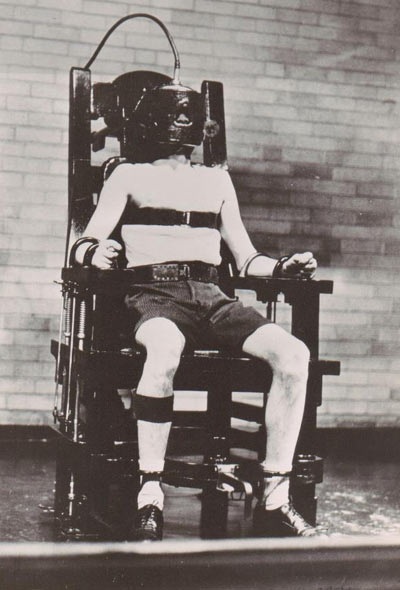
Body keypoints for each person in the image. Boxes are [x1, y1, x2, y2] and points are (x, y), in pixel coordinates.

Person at [74, 77, 318, 541]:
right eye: (173, 112)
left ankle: (275, 497)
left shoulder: (216, 179)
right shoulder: (126, 175)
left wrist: (283, 266)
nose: (182, 122)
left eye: (189, 113)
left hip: (214, 298)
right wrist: (96, 253)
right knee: (164, 349)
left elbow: (247, 258)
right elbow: (85, 241)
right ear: (150, 121)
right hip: (154, 294)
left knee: (294, 355)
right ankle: (150, 493)